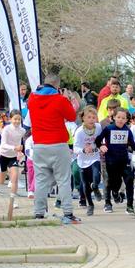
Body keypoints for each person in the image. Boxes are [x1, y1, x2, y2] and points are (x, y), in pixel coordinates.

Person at [28, 73, 80, 224]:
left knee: (41, 181)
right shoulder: (60, 99)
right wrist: (67, 98)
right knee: (63, 180)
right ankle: (68, 213)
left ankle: (38, 213)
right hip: (58, 144)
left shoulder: (32, 98)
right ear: (58, 85)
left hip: (39, 145)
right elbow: (71, 116)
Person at [95, 108, 135, 214]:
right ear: (114, 117)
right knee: (111, 182)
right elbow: (98, 140)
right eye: (118, 117)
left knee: (129, 179)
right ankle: (108, 202)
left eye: (123, 118)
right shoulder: (109, 128)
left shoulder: (127, 130)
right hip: (111, 161)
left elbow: (133, 145)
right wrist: (101, 146)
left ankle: (129, 206)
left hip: (124, 160)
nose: (120, 120)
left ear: (126, 120)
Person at [0, 110, 26, 209]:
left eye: (19, 119)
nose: (17, 121)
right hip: (3, 156)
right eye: (15, 119)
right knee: (1, 180)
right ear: (10, 119)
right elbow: (3, 145)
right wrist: (14, 148)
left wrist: (20, 149)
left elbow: (20, 143)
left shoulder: (22, 131)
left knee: (15, 177)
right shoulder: (7, 129)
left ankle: (13, 200)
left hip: (13, 157)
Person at [73, 106, 103, 217]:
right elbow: (75, 148)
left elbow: (102, 139)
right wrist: (83, 150)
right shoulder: (79, 131)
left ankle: (95, 187)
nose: (91, 119)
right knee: (85, 184)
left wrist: (102, 145)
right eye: (89, 117)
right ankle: (90, 205)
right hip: (82, 160)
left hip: (95, 157)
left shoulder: (98, 127)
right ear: (83, 119)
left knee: (96, 177)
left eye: (94, 117)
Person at [24, 134, 35, 199]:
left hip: (40, 160)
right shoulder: (29, 139)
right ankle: (30, 189)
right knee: (31, 175)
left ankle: (31, 190)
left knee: (37, 175)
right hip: (30, 159)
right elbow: (27, 150)